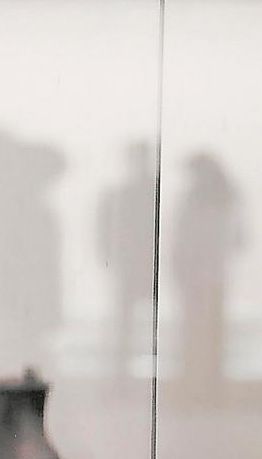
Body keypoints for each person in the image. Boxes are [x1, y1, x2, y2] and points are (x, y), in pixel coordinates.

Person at [172, 153, 243, 399]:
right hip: (212, 276)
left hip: (199, 276)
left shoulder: (195, 201)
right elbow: (240, 239)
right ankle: (209, 387)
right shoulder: (228, 200)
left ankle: (197, 387)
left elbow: (183, 241)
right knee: (211, 333)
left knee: (196, 334)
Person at [96, 141, 159, 378]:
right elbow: (106, 228)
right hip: (131, 264)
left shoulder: (139, 192)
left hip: (140, 263)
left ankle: (124, 370)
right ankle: (122, 370)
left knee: (133, 320)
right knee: (126, 321)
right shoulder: (126, 193)